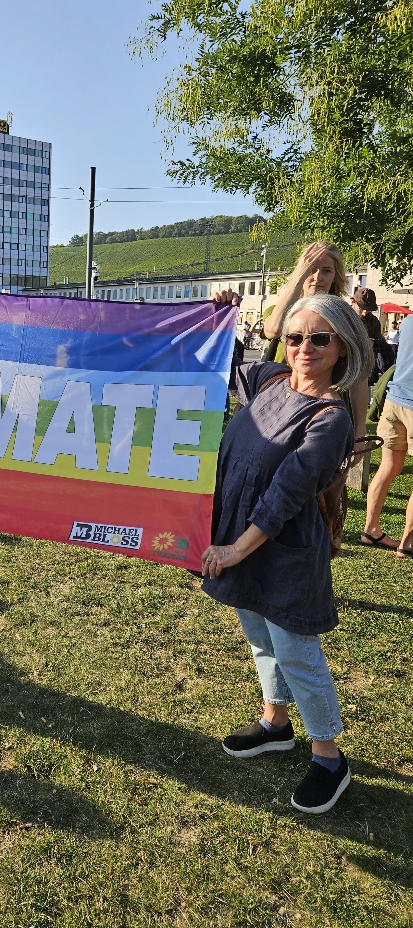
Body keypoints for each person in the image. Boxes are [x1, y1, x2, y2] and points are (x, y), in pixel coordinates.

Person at [202, 293, 372, 814]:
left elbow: (285, 496)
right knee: (259, 639)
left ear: (343, 347)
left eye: (319, 338)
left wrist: (235, 549)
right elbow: (217, 357)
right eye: (296, 337)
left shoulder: (330, 418)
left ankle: (328, 756)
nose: (304, 347)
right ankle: (275, 723)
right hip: (239, 540)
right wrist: (218, 314)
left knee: (297, 653)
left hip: (283, 551)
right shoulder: (269, 380)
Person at [261, 242, 368, 451]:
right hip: (281, 406)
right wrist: (299, 276)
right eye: (311, 269)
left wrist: (360, 430)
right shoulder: (279, 311)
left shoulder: (344, 317)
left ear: (335, 276)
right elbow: (273, 329)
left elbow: (359, 376)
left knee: (324, 479)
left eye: (326, 271)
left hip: (326, 412)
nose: (318, 277)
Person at [362, 313, 413, 557]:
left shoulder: (409, 321)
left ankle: (370, 529)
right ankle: (408, 543)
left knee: (387, 467)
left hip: (394, 401)